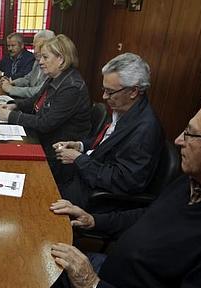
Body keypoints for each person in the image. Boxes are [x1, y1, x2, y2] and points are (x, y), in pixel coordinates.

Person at [38, 96, 201, 288]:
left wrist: (94, 287)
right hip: (111, 274)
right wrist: (94, 220)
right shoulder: (199, 179)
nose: (179, 140)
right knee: (30, 264)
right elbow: (149, 215)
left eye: (191, 134)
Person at [52, 53, 163, 209]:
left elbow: (125, 181)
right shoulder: (123, 109)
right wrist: (80, 146)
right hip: (82, 180)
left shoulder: (145, 130)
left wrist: (79, 159)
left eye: (110, 92)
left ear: (133, 91)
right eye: (104, 89)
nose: (104, 96)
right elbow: (105, 144)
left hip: (96, 198)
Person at [0, 34, 91, 181]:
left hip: (57, 153)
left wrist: (10, 116)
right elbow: (35, 100)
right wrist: (14, 105)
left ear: (61, 59)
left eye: (45, 57)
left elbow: (46, 123)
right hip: (41, 140)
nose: (40, 62)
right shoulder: (55, 77)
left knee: (7, 168)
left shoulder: (71, 87)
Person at [0, 30, 55, 98]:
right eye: (34, 47)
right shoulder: (37, 61)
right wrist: (13, 82)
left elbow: (38, 91)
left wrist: (10, 89)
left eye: (40, 47)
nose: (35, 51)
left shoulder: (52, 66)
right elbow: (28, 79)